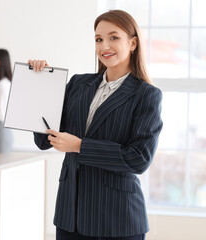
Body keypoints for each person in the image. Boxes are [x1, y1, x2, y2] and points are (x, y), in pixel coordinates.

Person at [31, 10, 163, 240]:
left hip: (117, 219)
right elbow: (44, 140)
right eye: (98, 39)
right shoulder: (78, 84)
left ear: (132, 43)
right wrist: (41, 84)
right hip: (69, 217)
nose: (104, 46)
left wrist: (80, 146)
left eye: (113, 37)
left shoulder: (146, 95)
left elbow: (139, 159)